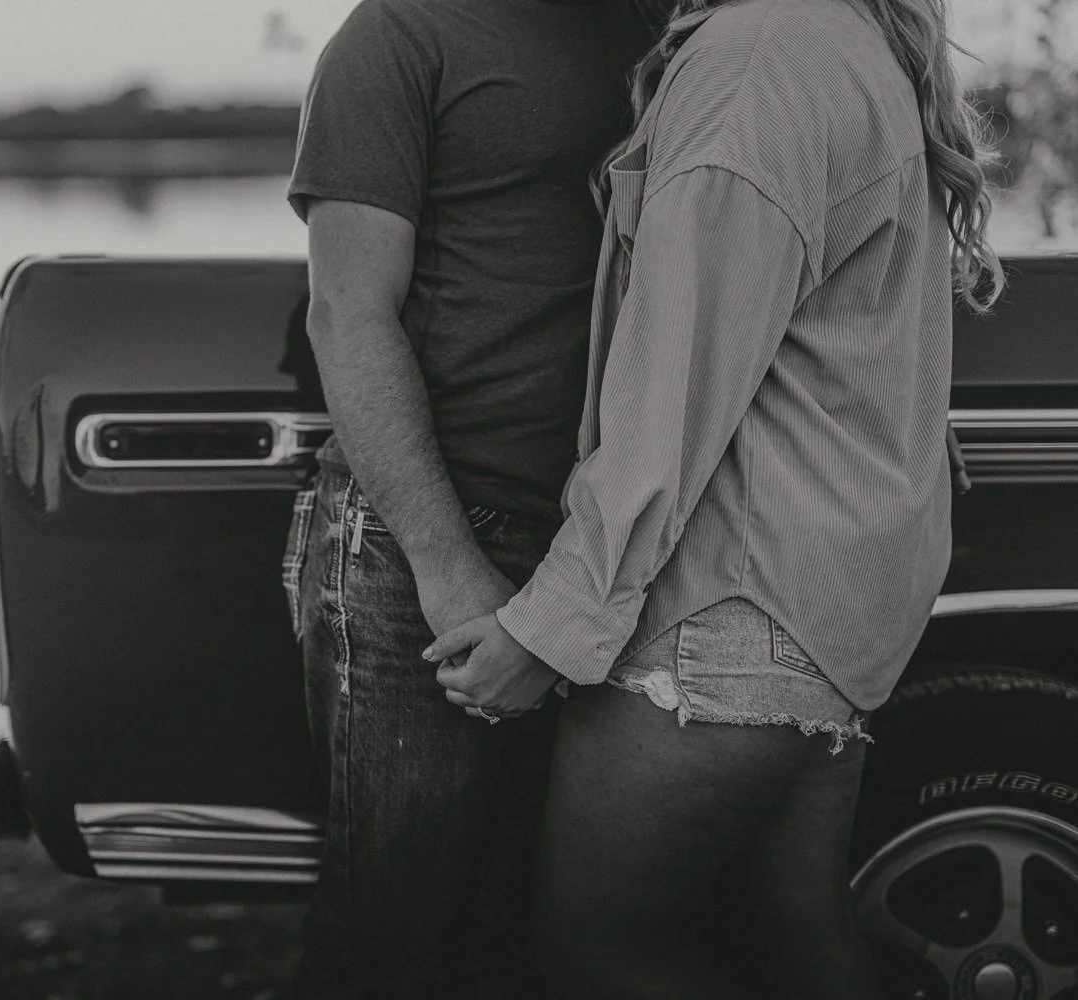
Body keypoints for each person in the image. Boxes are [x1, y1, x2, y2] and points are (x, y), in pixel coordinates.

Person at [425, 0, 1004, 994]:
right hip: (823, 603)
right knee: (797, 939)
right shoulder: (838, 35)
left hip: (731, 610)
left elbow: (670, 397)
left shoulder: (756, 63)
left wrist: (548, 629)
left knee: (591, 951)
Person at [279, 0, 658, 996]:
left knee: (536, 929)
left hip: (613, 543)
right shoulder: (397, 36)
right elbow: (347, 311)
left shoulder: (666, 25)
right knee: (394, 929)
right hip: (431, 544)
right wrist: (448, 571)